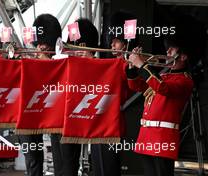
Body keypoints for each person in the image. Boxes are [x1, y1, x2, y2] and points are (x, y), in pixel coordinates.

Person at [125, 15, 206, 176]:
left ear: (183, 55)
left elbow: (163, 88)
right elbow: (138, 86)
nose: (167, 51)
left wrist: (142, 65)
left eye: (172, 48)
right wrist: (132, 69)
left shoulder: (185, 80)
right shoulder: (165, 75)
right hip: (147, 136)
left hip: (163, 139)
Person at [90, 11, 136, 176]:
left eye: (116, 42)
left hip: (111, 123)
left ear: (125, 43)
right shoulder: (114, 63)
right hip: (100, 121)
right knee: (99, 166)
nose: (112, 46)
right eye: (112, 42)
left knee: (107, 168)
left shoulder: (124, 65)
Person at [18, 13, 62, 176]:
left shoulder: (60, 62)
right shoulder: (28, 61)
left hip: (54, 112)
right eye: (40, 43)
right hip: (30, 112)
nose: (41, 47)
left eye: (45, 43)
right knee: (32, 159)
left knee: (60, 159)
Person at [59, 18, 99, 176]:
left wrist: (89, 60)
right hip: (68, 117)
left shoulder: (96, 62)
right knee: (66, 167)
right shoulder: (65, 63)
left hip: (93, 116)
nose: (77, 49)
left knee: (98, 164)